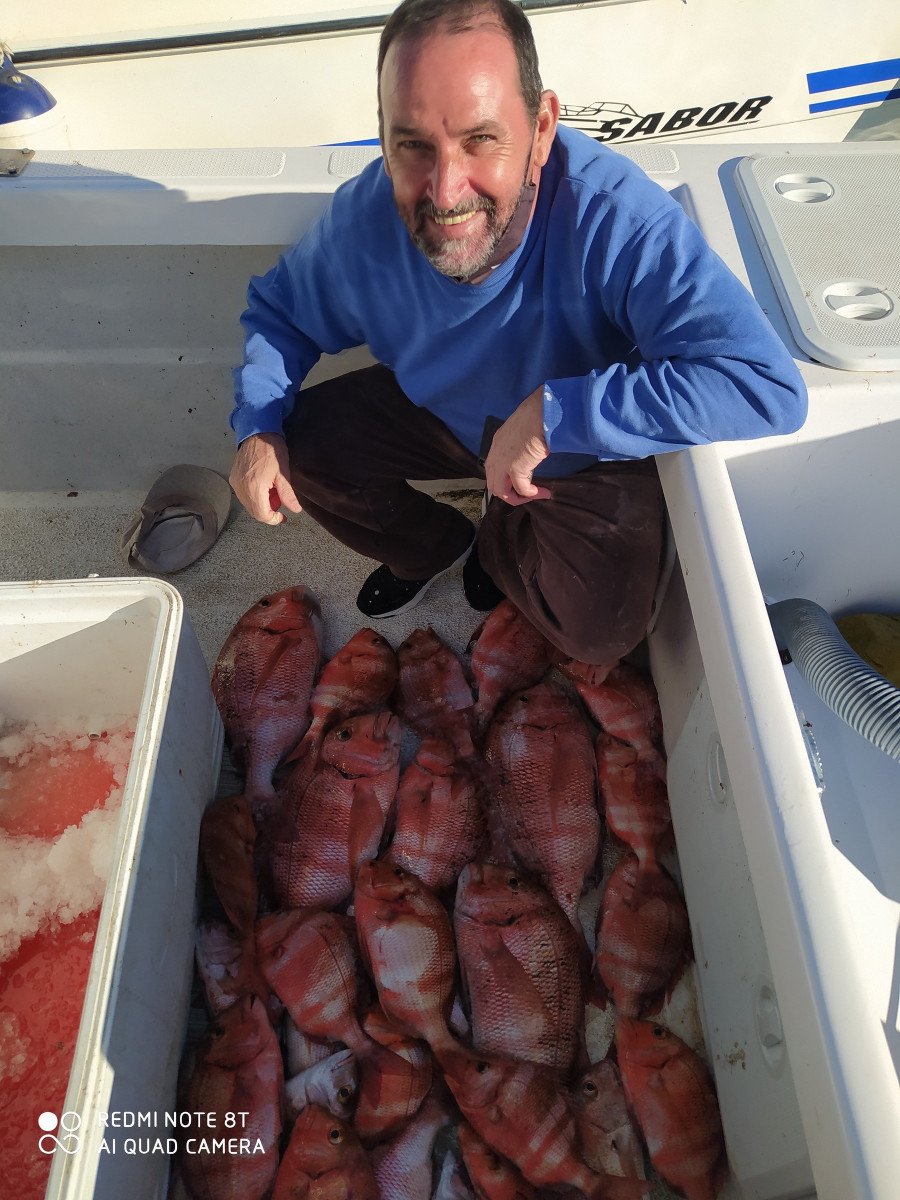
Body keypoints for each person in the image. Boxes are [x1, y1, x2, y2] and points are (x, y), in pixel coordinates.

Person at [228, 0, 806, 666]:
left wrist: (554, 417)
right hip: (444, 410)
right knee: (301, 445)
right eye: (412, 145)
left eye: (480, 139)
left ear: (542, 128)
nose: (445, 193)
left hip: (581, 454)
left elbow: (763, 384)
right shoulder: (365, 218)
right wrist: (258, 424)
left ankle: (504, 545)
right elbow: (281, 313)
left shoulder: (617, 217)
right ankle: (438, 545)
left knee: (600, 635)